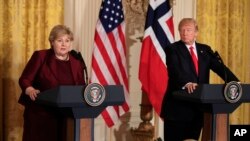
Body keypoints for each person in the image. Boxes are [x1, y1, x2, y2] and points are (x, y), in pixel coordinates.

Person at [161, 18, 239, 141]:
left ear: (196, 32)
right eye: (182, 30)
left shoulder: (205, 50)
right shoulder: (172, 49)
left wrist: (235, 82)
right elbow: (174, 71)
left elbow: (219, 67)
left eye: (188, 30)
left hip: (198, 111)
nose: (185, 33)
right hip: (177, 111)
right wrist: (186, 83)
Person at [18, 25, 86, 141]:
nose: (64, 44)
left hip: (66, 116)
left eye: (67, 41)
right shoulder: (41, 56)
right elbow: (25, 79)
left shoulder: (77, 62)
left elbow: (80, 87)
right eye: (60, 41)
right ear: (52, 42)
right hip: (40, 114)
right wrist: (30, 89)